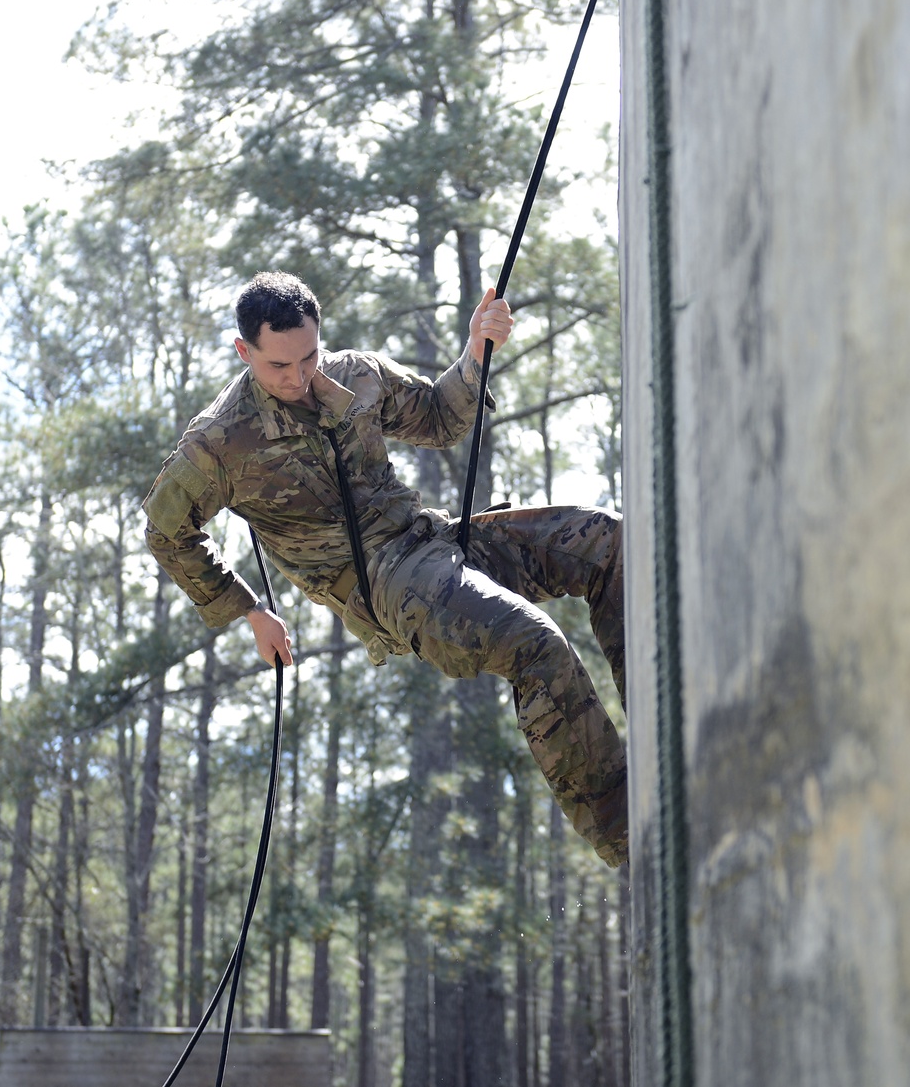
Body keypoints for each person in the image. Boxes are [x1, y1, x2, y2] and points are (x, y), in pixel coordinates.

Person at [142, 271, 628, 867]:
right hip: (387, 586)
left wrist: (477, 350)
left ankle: (662, 716)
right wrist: (249, 609)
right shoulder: (219, 443)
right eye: (278, 367)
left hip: (436, 540)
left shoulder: (357, 376)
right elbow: (167, 533)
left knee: (606, 542)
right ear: (244, 351)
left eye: (309, 356)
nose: (298, 378)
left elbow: (438, 418)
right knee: (536, 645)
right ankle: (630, 835)